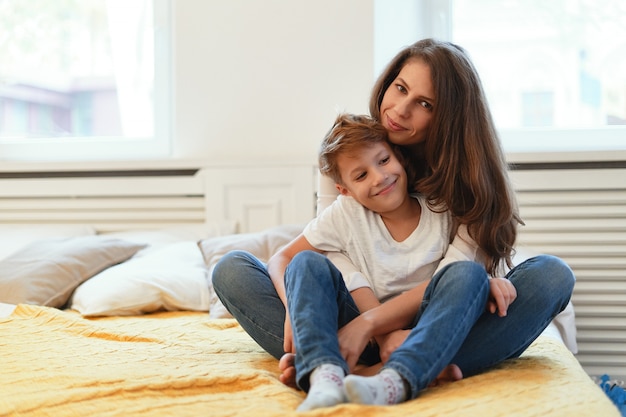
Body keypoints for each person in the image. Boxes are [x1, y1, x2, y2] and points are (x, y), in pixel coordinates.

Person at [212, 38, 575, 408]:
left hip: (436, 320)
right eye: (400, 88)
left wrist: (370, 327)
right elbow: (333, 254)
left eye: (424, 104)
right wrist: (298, 313)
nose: (400, 110)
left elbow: (457, 277)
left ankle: (374, 370)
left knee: (551, 275)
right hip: (355, 313)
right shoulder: (356, 146)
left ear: (448, 118)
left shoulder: (464, 185)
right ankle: (353, 363)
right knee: (232, 268)